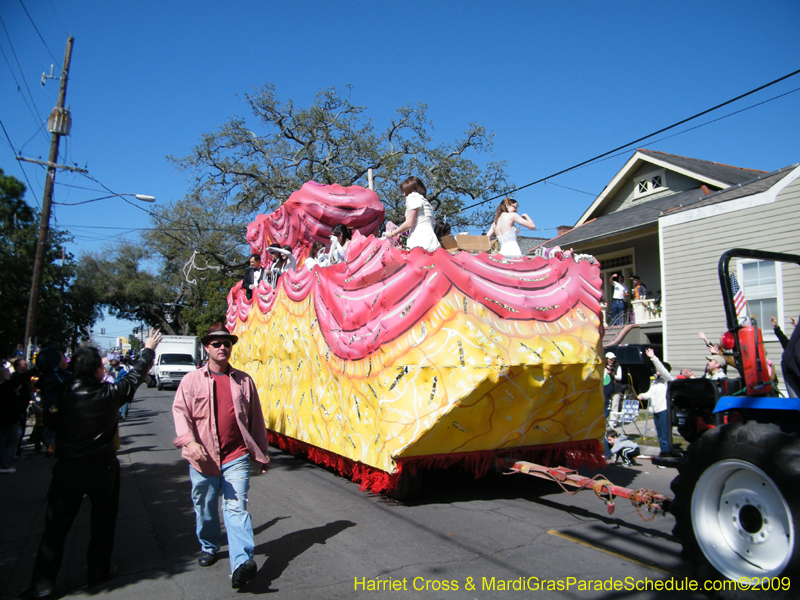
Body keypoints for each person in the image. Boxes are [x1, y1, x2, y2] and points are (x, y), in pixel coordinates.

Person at [20, 330, 161, 600]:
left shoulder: (61, 395)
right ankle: (97, 572)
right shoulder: (109, 393)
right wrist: (148, 349)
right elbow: (135, 377)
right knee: (103, 522)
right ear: (99, 369)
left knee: (56, 527)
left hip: (68, 467)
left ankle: (42, 584)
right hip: (103, 467)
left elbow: (50, 422)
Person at [172, 323, 270, 590]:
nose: (223, 347)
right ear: (207, 348)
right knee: (204, 508)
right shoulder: (190, 381)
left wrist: (261, 454)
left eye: (227, 343)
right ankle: (209, 545)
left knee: (236, 508)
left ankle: (241, 564)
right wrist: (189, 442)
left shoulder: (244, 380)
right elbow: (180, 413)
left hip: (235, 456)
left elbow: (255, 419)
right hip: (202, 459)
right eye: (216, 343)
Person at [383, 176, 440, 252]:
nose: (403, 194)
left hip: (419, 241)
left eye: (404, 190)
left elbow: (409, 223)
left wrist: (392, 234)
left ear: (409, 188)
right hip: (431, 241)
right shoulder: (425, 202)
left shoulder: (413, 197)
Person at [639, 348, 673, 462]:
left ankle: (666, 454)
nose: (657, 370)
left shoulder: (667, 380)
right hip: (656, 410)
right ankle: (664, 452)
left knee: (665, 434)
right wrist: (643, 395)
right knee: (660, 435)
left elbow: (663, 370)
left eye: (658, 369)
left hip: (664, 410)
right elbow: (650, 393)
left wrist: (653, 358)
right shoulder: (656, 381)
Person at [604, 351, 623, 426]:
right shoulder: (604, 367)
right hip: (606, 389)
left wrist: (612, 374)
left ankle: (613, 422)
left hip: (616, 389)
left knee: (614, 406)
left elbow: (619, 377)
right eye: (610, 359)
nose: (612, 360)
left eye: (613, 359)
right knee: (606, 405)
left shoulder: (617, 366)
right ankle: (606, 422)